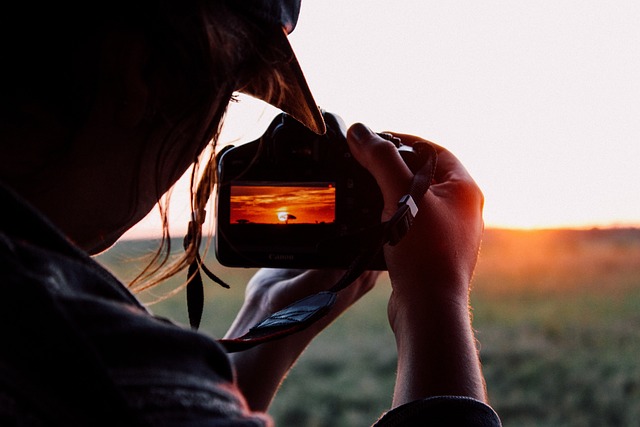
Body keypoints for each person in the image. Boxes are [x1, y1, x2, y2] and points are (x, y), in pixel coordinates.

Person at [0, 1, 501, 425]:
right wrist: (436, 301)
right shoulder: (90, 365)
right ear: (144, 74)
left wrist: (266, 322)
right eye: (227, 94)